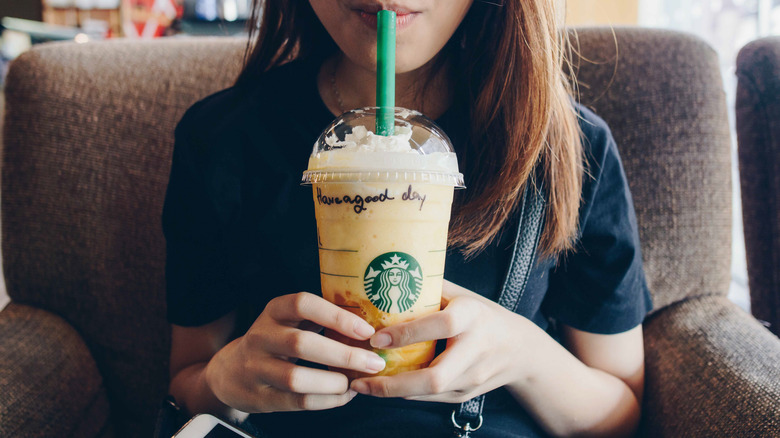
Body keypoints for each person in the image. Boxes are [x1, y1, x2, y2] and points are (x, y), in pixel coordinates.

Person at [162, 0, 653, 437]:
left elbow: (621, 414)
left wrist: (524, 355)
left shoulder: (568, 148)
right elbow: (187, 382)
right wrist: (223, 380)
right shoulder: (222, 138)